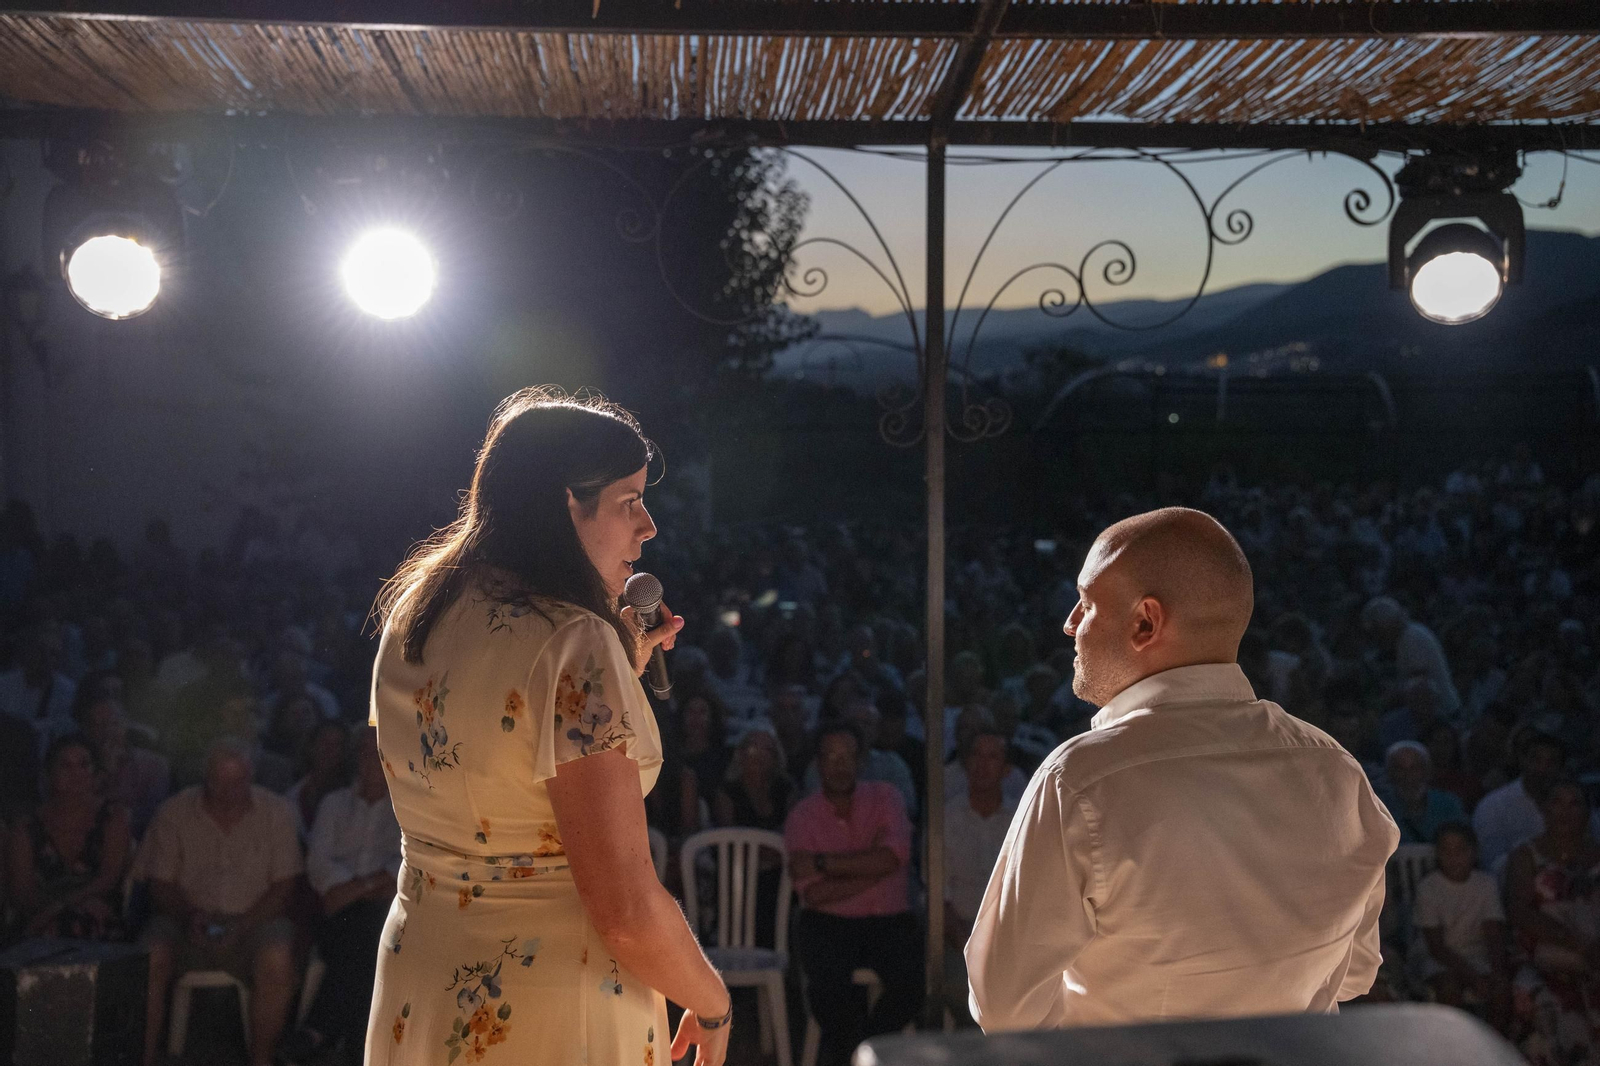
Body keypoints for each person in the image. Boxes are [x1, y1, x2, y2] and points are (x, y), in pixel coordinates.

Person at [366, 388, 729, 1066]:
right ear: (568, 504)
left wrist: (618, 667)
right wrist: (711, 1002)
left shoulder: (415, 607)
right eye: (629, 502)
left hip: (423, 971)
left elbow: (491, 738)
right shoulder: (575, 643)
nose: (647, 526)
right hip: (547, 999)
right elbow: (623, 909)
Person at [966, 508, 1398, 1031]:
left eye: (1086, 603)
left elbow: (1006, 1008)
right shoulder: (1337, 773)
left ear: (1145, 623)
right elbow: (1356, 973)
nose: (1070, 624)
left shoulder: (1079, 782)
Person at [138, 739, 303, 1066]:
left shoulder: (276, 812)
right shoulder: (174, 812)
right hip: (186, 922)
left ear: (251, 777)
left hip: (255, 924)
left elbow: (285, 886)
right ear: (206, 778)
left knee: (278, 954)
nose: (229, 792)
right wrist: (189, 916)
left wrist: (243, 925)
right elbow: (159, 882)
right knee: (150, 953)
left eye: (238, 782)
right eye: (220, 783)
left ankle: (262, 1061)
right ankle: (144, 1058)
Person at [785, 722, 922, 1066]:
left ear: (860, 761)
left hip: (889, 921)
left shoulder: (887, 797)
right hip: (828, 923)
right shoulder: (803, 816)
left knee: (913, 985)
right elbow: (814, 895)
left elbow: (894, 857)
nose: (840, 765)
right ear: (818, 763)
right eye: (831, 757)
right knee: (828, 993)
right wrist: (874, 869)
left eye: (847, 756)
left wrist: (823, 862)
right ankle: (862, 1055)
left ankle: (864, 1053)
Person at [291, 726, 402, 1065]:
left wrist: (355, 889)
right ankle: (355, 1048)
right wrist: (371, 885)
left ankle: (318, 1029)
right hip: (339, 915)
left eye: (378, 752)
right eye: (365, 752)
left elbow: (404, 866)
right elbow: (318, 864)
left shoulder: (405, 809)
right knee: (365, 936)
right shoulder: (334, 804)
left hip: (381, 911)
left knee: (367, 932)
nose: (371, 760)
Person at [1506, 778, 1600, 1065]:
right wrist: (1578, 944)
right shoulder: (1525, 856)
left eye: (1574, 804)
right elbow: (1520, 912)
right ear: (1544, 808)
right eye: (1557, 803)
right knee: (1547, 1000)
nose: (1565, 812)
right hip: (1541, 955)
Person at [6, 732, 131, 940]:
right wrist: (53, 911)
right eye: (65, 766)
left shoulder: (114, 817)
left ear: (95, 772)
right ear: (49, 774)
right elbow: (22, 892)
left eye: (84, 765)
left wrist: (62, 906)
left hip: (98, 913)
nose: (76, 774)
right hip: (39, 920)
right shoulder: (26, 827)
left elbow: (109, 878)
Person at [944, 729, 1015, 1027]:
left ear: (1006, 768)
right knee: (961, 990)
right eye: (976, 755)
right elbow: (938, 896)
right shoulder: (946, 818)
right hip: (956, 936)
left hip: (1011, 937)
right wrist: (967, 942)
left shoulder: (1021, 817)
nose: (983, 765)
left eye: (993, 757)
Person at [1409, 822, 1510, 1032]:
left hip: (1477, 955)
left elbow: (1494, 934)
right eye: (1446, 851)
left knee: (1501, 990)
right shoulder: (1428, 888)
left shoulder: (1486, 884)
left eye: (1461, 850)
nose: (1453, 857)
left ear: (1474, 852)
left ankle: (1493, 1045)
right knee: (1449, 989)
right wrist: (1472, 977)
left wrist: (1497, 972)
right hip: (1436, 959)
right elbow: (1436, 947)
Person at [1474, 731, 1600, 872]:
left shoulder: (1578, 802)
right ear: (1522, 761)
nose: (1542, 769)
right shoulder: (1493, 807)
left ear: (1561, 767)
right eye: (1535, 760)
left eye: (1551, 762)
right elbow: (1491, 864)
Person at [1377, 740, 1468, 844]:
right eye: (1400, 769)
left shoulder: (1448, 804)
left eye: (1415, 768)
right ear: (1390, 773)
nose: (1408, 776)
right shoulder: (1379, 807)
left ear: (1427, 771)